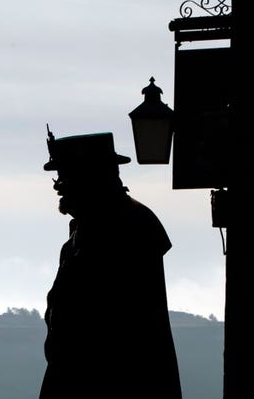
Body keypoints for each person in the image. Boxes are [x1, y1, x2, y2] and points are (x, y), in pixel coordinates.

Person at [39, 127, 182, 398]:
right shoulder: (89, 231)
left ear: (89, 178)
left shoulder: (128, 227)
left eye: (66, 177)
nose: (59, 187)